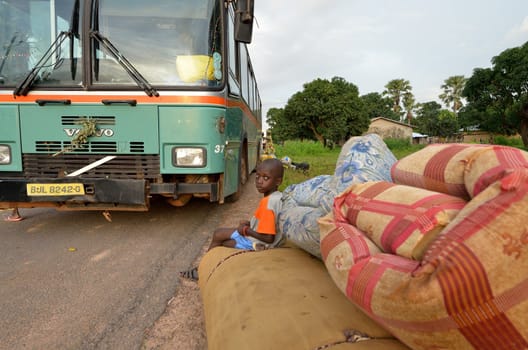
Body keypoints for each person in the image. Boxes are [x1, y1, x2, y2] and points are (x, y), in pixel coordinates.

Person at [180, 158, 284, 281]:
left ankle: (202, 270)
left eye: (266, 178)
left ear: (278, 181)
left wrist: (245, 230)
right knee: (221, 237)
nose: (259, 181)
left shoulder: (268, 203)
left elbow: (268, 238)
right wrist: (251, 224)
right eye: (257, 177)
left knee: (219, 236)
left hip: (261, 244)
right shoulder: (277, 197)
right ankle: (204, 268)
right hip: (265, 240)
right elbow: (269, 223)